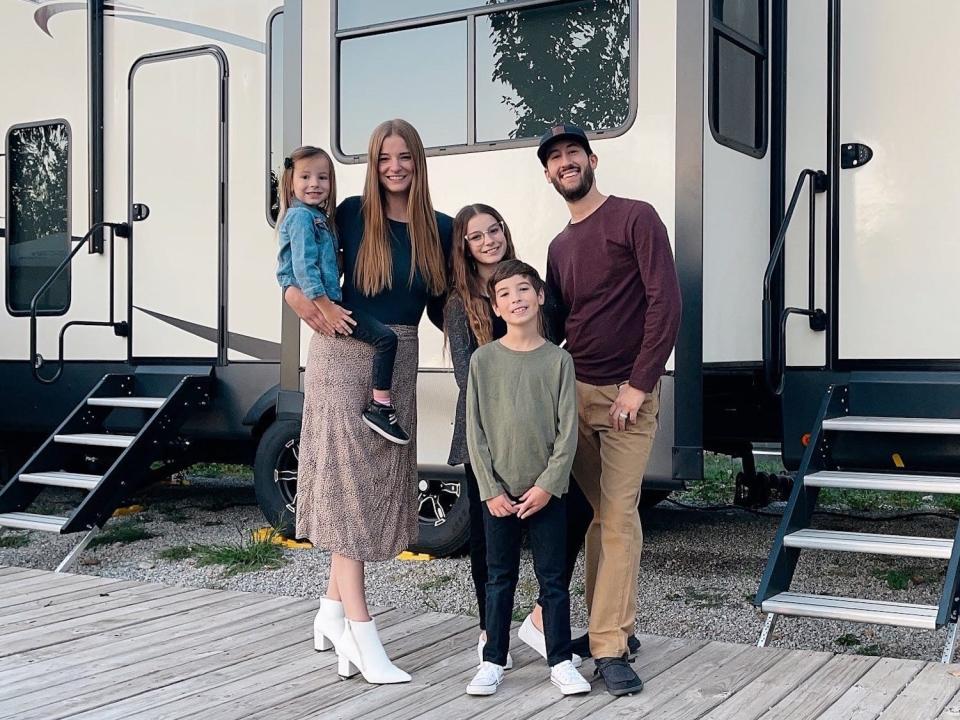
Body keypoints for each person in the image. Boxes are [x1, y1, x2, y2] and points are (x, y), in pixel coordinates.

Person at [283, 119, 451, 685]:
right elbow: (294, 254)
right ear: (373, 165)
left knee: (373, 488)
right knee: (352, 492)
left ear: (418, 162)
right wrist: (300, 301)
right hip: (343, 352)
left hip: (396, 360)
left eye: (404, 157)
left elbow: (441, 307)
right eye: (384, 158)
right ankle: (361, 632)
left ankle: (330, 613)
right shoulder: (351, 212)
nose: (395, 167)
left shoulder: (440, 229)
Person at [540, 124, 682, 696]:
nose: (566, 163)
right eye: (555, 159)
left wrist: (639, 385)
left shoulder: (634, 217)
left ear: (592, 159)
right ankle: (610, 628)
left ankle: (607, 646)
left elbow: (665, 303)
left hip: (628, 397)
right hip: (576, 395)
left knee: (619, 516)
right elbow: (554, 326)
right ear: (548, 175)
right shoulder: (558, 247)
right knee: (602, 515)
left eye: (574, 153)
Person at [444, 205, 588, 670]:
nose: (487, 240)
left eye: (494, 230)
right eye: (475, 236)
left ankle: (544, 619)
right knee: (490, 549)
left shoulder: (524, 286)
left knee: (573, 515)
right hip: (487, 434)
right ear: (464, 247)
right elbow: (471, 380)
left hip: (538, 437)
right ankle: (493, 639)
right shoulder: (459, 303)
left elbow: (551, 352)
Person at [274, 145, 409, 445]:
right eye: (305, 177)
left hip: (330, 300)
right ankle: (380, 407)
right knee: (386, 339)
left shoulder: (321, 219)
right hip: (327, 303)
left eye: (322, 178)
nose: (314, 184)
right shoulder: (300, 219)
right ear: (290, 182)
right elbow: (304, 269)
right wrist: (327, 308)